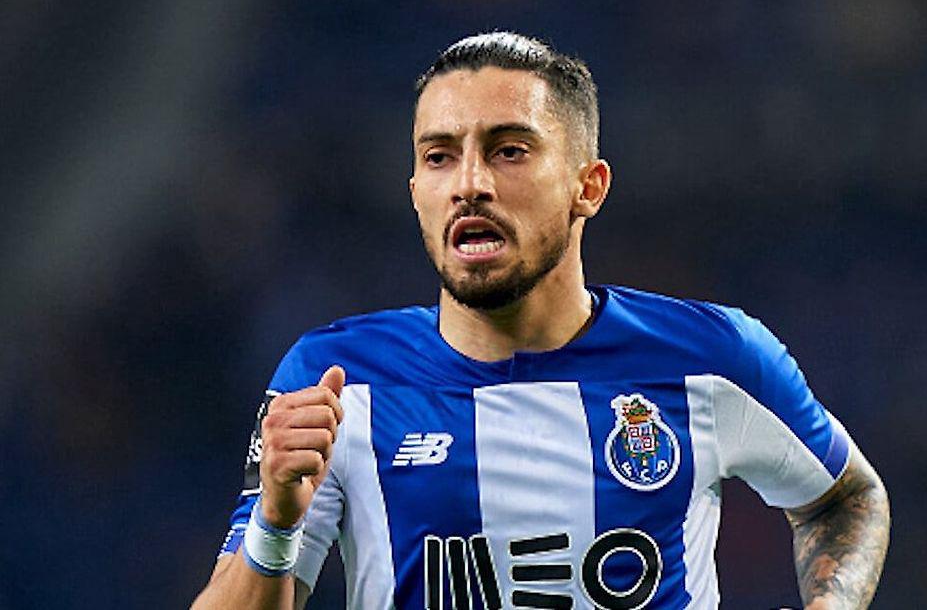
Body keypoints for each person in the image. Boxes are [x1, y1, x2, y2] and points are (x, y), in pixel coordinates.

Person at [192, 32, 890, 610]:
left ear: (588, 186)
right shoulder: (335, 382)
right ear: (416, 192)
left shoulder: (713, 358)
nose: (470, 183)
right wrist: (275, 525)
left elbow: (845, 497)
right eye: (439, 157)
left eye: (509, 150)